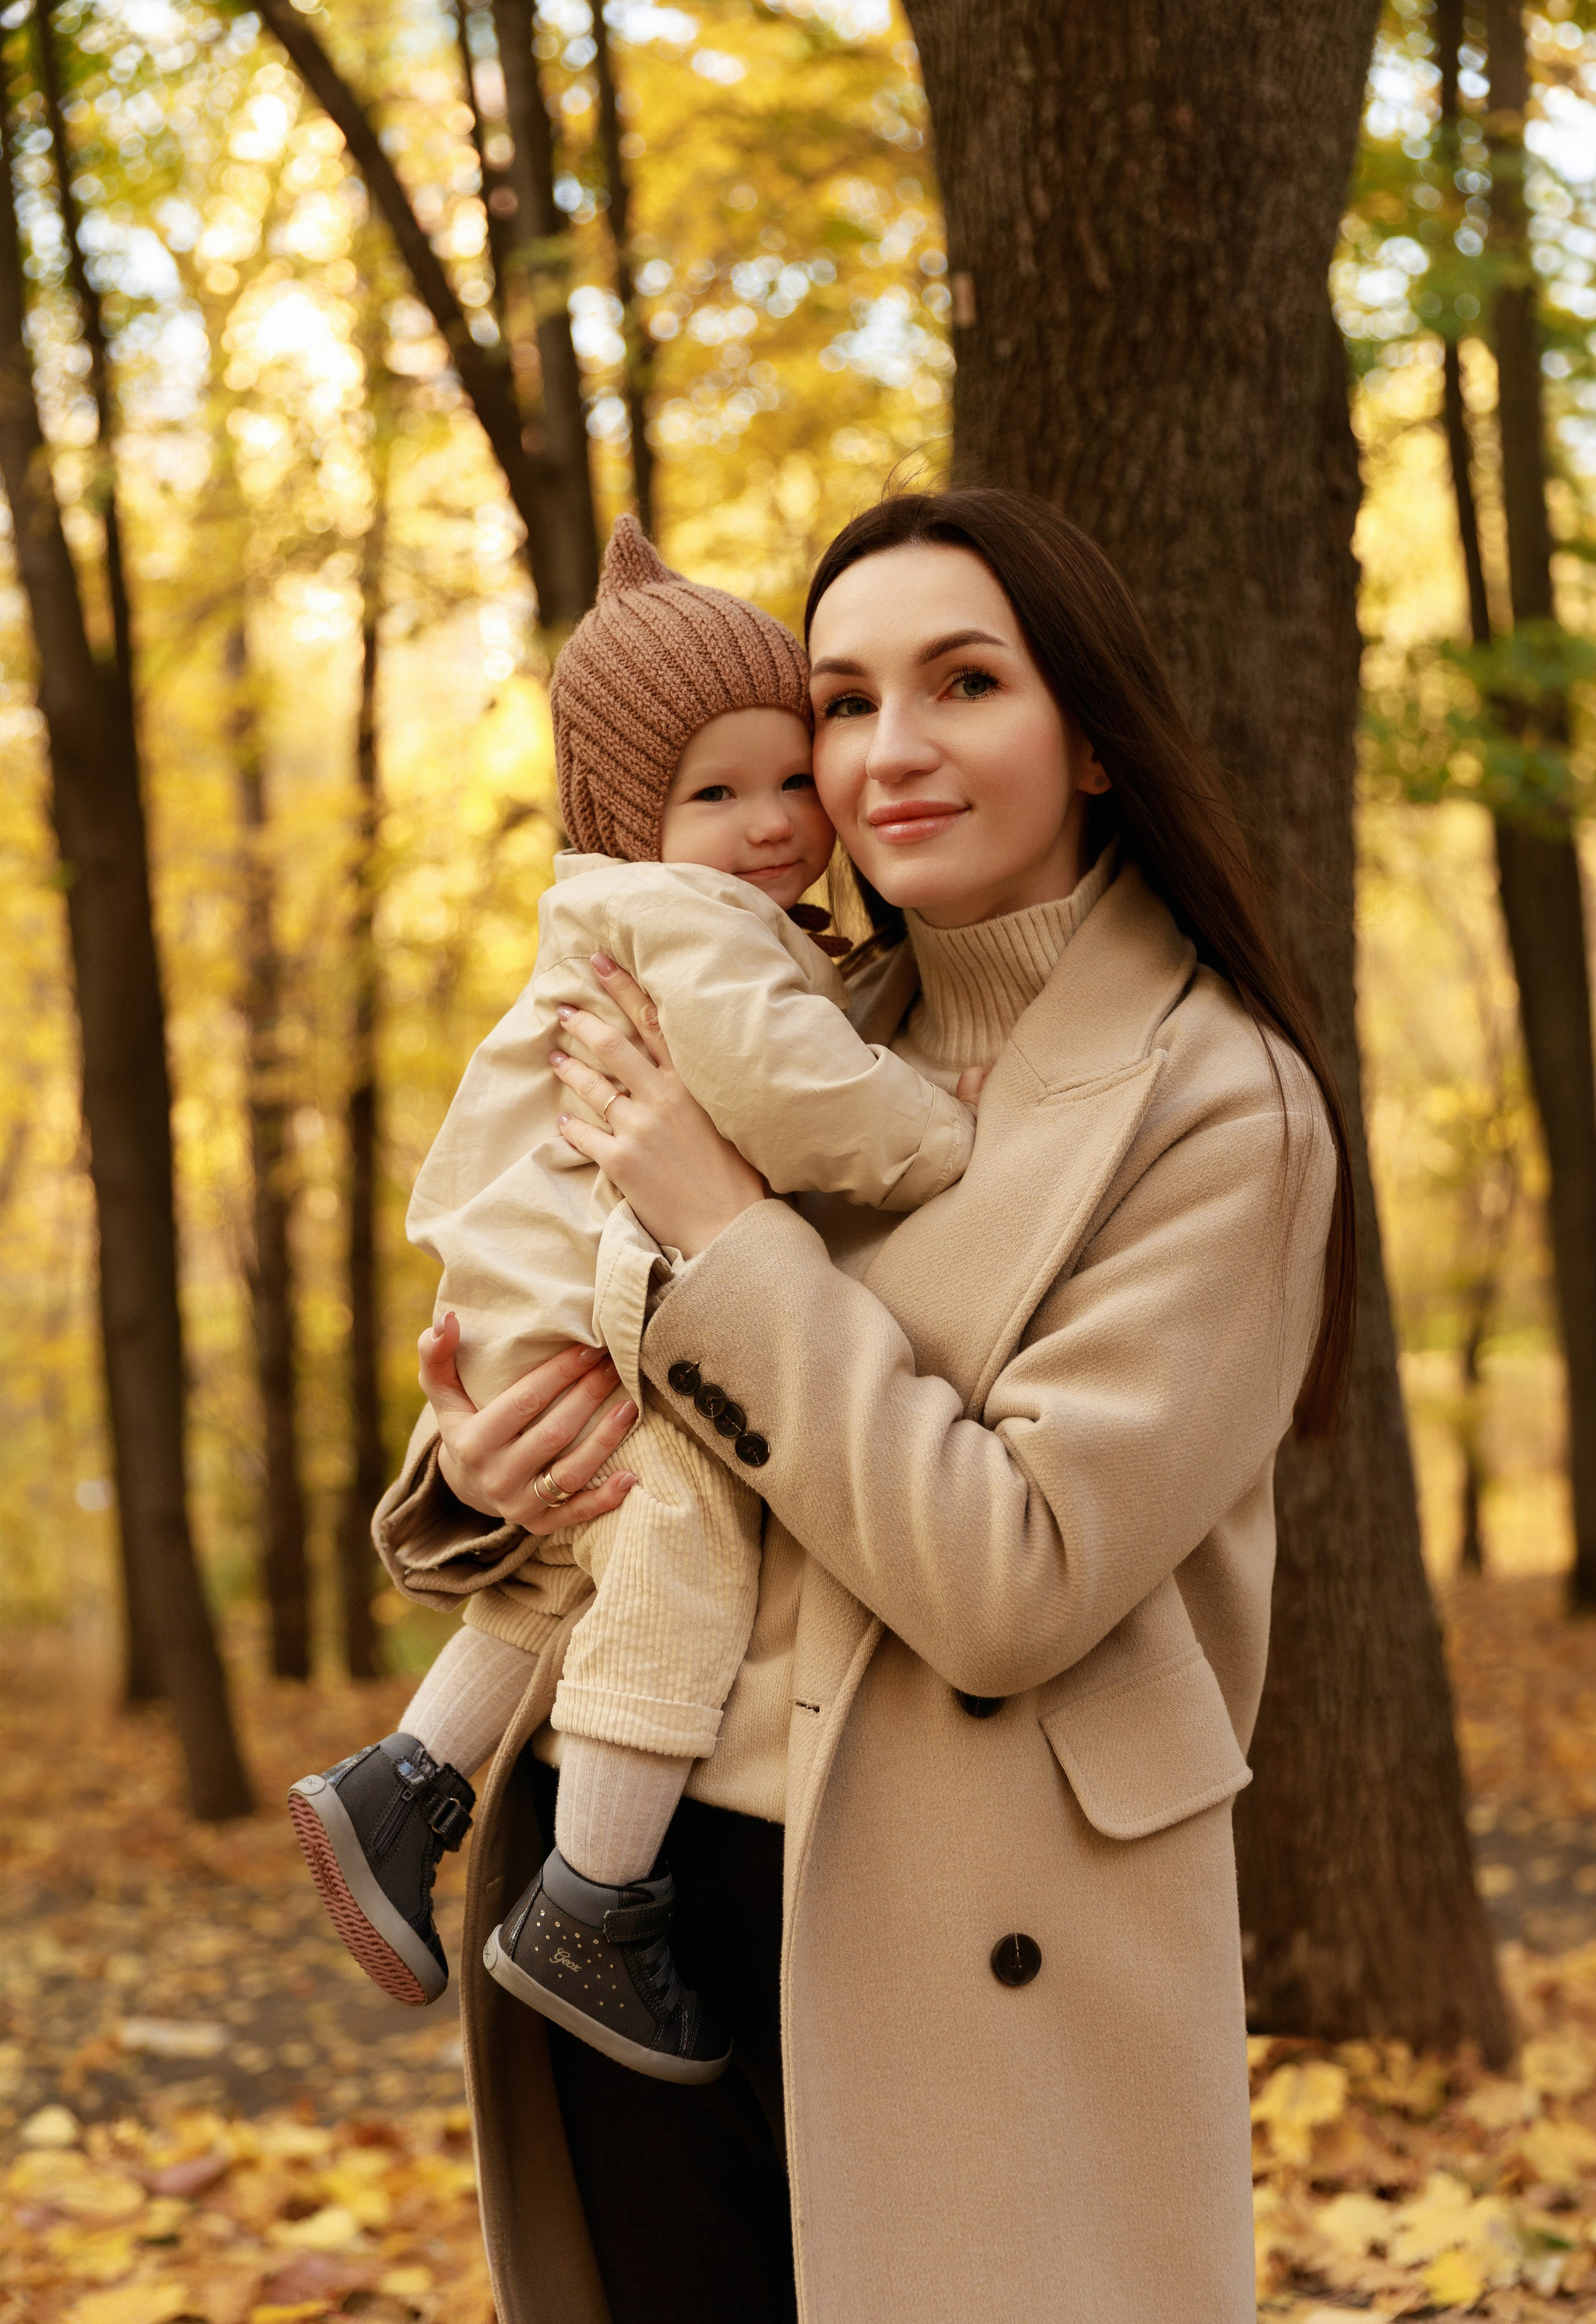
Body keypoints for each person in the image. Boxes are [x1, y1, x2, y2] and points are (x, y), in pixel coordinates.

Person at [374, 489, 1352, 2324]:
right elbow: (578, 1321)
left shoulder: (1222, 1109)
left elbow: (1015, 1580)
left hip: (970, 1942)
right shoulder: (778, 1012)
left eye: (964, 682)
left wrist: (728, 1231)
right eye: (838, 701)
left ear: (1095, 739)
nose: (886, 751)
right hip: (624, 1900)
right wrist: (486, 1468)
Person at [287, 516, 979, 2082]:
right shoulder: (686, 923)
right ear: (626, 812)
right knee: (671, 1541)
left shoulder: (671, 914)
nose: (768, 825)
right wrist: (939, 1136)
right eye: (712, 795)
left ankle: (404, 1783)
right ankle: (593, 1899)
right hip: (586, 1304)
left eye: (787, 777)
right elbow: (788, 1091)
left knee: (564, 1565)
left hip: (552, 1293)